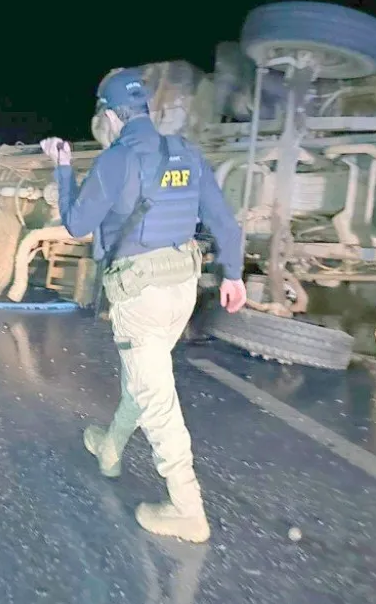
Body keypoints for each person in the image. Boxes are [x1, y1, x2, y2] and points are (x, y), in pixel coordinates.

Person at [40, 68, 247, 544]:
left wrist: (63, 167)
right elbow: (224, 221)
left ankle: (186, 509)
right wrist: (233, 275)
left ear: (111, 116)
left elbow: (76, 223)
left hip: (141, 294)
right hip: (182, 288)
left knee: (156, 395)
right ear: (147, 110)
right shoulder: (186, 153)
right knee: (146, 373)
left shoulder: (118, 159)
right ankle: (109, 447)